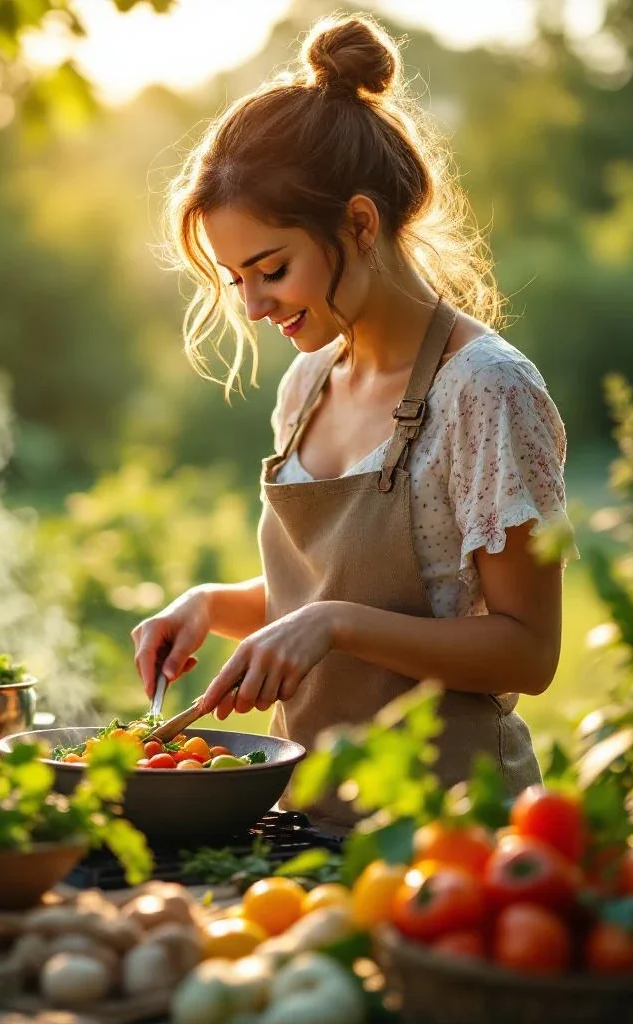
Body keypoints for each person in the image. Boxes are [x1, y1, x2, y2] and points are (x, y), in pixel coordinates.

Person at [130, 12, 574, 833]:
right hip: (302, 821)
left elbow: (527, 651)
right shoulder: (306, 384)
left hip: (450, 835)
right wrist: (208, 604)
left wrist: (333, 625)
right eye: (237, 279)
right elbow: (324, 597)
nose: (255, 306)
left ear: (360, 225)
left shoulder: (485, 390)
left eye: (272, 269)